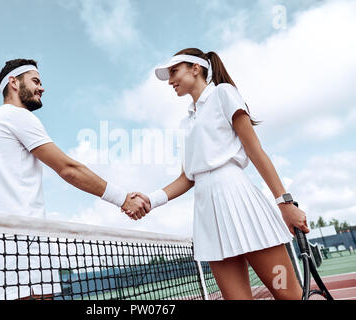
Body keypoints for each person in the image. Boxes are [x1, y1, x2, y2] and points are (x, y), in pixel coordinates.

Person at [124, 48, 310, 300]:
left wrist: (284, 203)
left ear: (196, 68)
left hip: (243, 206)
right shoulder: (186, 123)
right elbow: (187, 177)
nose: (170, 81)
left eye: (174, 72)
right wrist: (150, 199)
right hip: (208, 218)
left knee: (289, 296)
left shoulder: (223, 93)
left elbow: (254, 150)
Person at [0, 59, 150, 300]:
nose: (42, 88)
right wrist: (123, 199)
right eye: (36, 81)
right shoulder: (16, 116)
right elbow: (68, 169)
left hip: (7, 242)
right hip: (20, 241)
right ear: (13, 83)